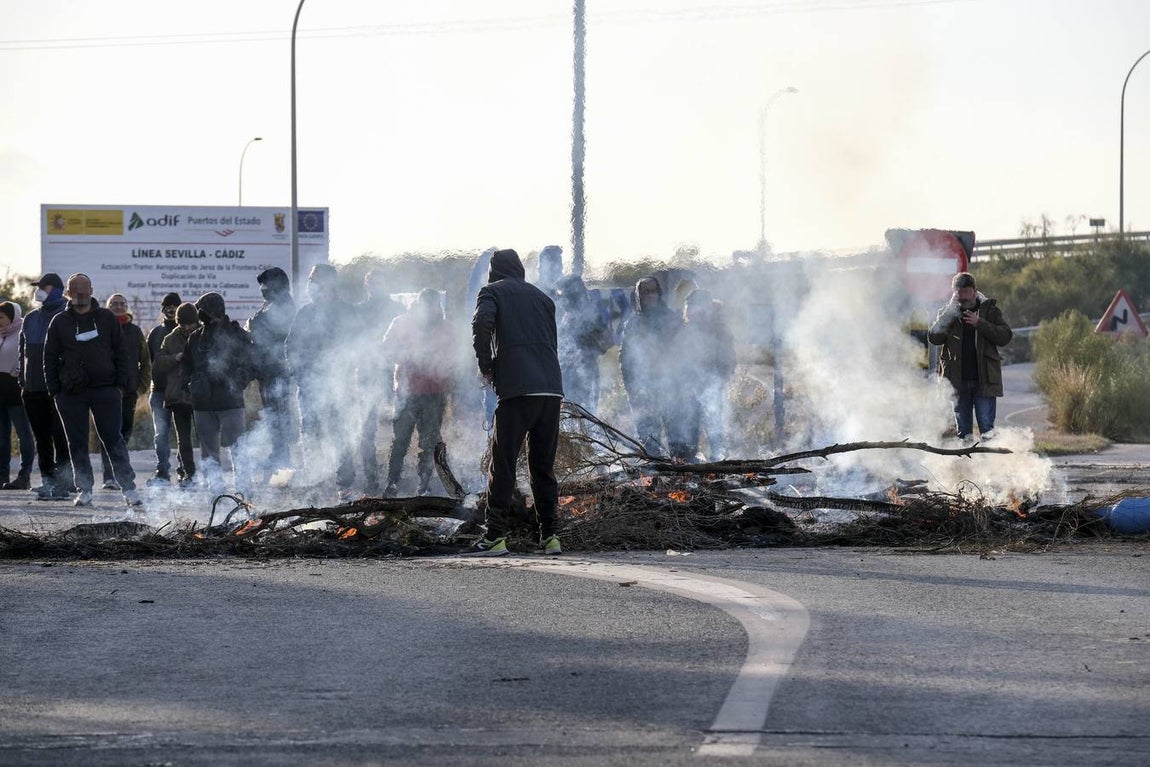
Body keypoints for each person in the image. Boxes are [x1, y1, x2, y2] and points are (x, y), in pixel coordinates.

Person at [468, 248, 564, 556]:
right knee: (543, 468)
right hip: (550, 390)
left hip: (517, 391)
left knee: (504, 464)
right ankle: (550, 537)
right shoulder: (543, 298)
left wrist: (486, 365)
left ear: (494, 272)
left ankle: (495, 536)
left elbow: (482, 325)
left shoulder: (491, 291)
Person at [43, 273, 140, 509]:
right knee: (76, 442)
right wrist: (55, 390)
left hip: (106, 390)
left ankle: (129, 489)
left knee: (113, 439)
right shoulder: (59, 322)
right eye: (75, 290)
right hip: (71, 393)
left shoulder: (106, 318)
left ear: (92, 290)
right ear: (68, 293)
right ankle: (85, 489)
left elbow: (121, 353)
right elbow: (49, 357)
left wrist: (119, 384)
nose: (80, 294)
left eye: (85, 290)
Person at [286, 264, 357, 502]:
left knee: (341, 435)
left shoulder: (346, 312)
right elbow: (291, 346)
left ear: (329, 283)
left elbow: (359, 346)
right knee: (311, 435)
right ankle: (315, 484)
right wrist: (299, 374)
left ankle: (344, 486)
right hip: (309, 387)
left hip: (340, 386)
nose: (310, 284)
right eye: (310, 279)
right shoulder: (305, 313)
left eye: (314, 279)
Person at [381, 289, 455, 497]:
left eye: (434, 307)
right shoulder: (401, 323)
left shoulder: (446, 327)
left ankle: (424, 485)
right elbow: (386, 350)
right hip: (406, 391)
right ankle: (392, 483)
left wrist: (444, 370)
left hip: (434, 393)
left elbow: (454, 358)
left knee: (429, 441)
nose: (431, 311)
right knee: (400, 439)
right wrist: (408, 356)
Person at [181, 292, 253, 495]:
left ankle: (244, 487)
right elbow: (186, 364)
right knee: (208, 450)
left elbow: (251, 361)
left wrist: (239, 382)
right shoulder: (196, 337)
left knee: (238, 446)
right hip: (203, 402)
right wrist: (188, 385)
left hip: (230, 401)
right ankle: (216, 489)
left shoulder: (235, 333)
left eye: (203, 311)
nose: (200, 316)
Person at [928, 272, 1013, 441]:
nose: (962, 296)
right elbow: (934, 337)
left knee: (987, 430)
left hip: (984, 381)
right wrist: (949, 314)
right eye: (959, 292)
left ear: (974, 291)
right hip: (957, 382)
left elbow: (1005, 336)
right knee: (964, 433)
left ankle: (990, 466)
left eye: (966, 291)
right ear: (954, 292)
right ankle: (967, 467)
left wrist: (979, 323)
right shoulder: (948, 312)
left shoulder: (989, 310)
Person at [18, 273, 73, 500]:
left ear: (58, 290)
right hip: (32, 389)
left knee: (61, 437)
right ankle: (47, 480)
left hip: (58, 388)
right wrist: (22, 379)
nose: (39, 290)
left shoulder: (67, 316)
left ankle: (64, 483)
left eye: (44, 287)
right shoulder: (30, 318)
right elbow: (22, 352)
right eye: (38, 287)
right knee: (42, 439)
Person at [619, 275, 687, 458]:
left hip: (671, 388)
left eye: (653, 291)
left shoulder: (672, 320)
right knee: (649, 441)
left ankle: (681, 478)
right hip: (643, 390)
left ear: (659, 294)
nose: (649, 296)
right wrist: (632, 389)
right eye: (644, 292)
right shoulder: (633, 325)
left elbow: (686, 353)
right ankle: (655, 479)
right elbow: (626, 360)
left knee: (677, 441)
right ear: (638, 297)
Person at [357, 269, 404, 495]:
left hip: (394, 376)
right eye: (372, 283)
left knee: (400, 428)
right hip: (367, 375)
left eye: (380, 283)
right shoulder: (359, 311)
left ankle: (393, 479)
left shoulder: (397, 310)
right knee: (366, 429)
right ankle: (370, 479)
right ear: (367, 285)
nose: (376, 287)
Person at [246, 267, 296, 475]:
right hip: (266, 370)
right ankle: (278, 454)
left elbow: (265, 329)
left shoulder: (285, 306)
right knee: (272, 414)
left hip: (277, 371)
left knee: (279, 415)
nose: (262, 290)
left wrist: (253, 325)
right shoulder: (270, 304)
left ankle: (283, 458)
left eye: (265, 285)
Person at [99, 293, 151, 489]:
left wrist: (140, 388)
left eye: (122, 304)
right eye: (114, 304)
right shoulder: (101, 328)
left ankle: (120, 472)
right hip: (104, 392)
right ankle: (110, 477)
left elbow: (145, 362)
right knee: (108, 433)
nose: (119, 307)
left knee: (123, 433)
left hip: (129, 392)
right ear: (108, 306)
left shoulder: (135, 331)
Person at [679, 289, 736, 461]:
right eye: (688, 306)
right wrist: (684, 383)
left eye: (693, 306)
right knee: (690, 427)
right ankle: (691, 464)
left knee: (715, 425)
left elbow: (728, 357)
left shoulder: (719, 328)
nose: (690, 310)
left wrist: (721, 379)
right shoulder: (686, 330)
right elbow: (679, 358)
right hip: (690, 387)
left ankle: (718, 461)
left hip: (713, 384)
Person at [153, 303, 199, 488]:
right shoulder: (170, 339)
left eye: (191, 324)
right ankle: (190, 474)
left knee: (204, 436)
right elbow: (158, 364)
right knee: (184, 438)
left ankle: (210, 473)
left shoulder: (202, 334)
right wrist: (175, 358)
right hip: (178, 396)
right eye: (183, 324)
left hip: (200, 395)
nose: (188, 328)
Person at [554, 274, 611, 411]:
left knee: (587, 415)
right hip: (565, 374)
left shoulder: (592, 315)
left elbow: (605, 342)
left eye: (565, 294)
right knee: (567, 416)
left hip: (587, 373)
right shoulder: (563, 317)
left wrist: (586, 353)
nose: (562, 299)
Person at [145, 292, 182, 485]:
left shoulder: (187, 332)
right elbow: (149, 361)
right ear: (162, 310)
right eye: (167, 306)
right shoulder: (155, 333)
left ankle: (183, 470)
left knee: (182, 434)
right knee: (161, 434)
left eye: (175, 305)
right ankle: (162, 471)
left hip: (181, 391)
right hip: (158, 391)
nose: (170, 309)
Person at [0, 302, 36, 489]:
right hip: (0, 390)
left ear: (11, 317)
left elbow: (27, 355)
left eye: (1, 317)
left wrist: (19, 370)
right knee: (2, 436)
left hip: (16, 390)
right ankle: (2, 476)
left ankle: (24, 475)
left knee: (23, 433)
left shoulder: (22, 331)